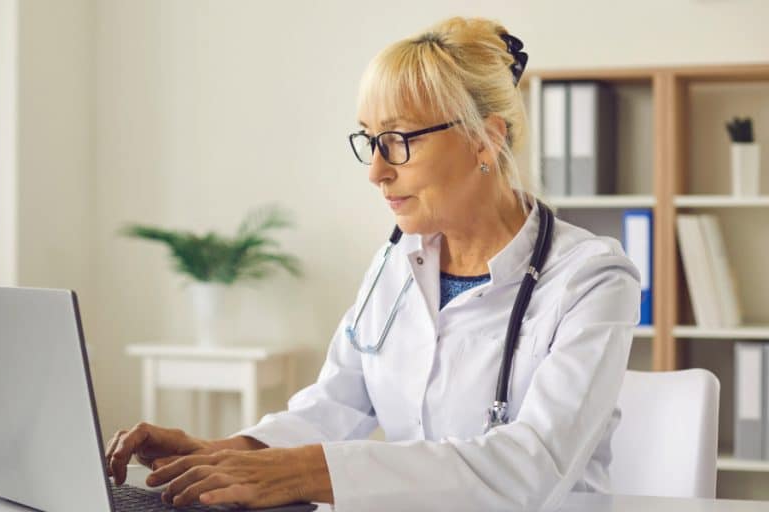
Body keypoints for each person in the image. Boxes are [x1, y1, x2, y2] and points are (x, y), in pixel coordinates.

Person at [105, 16, 640, 511]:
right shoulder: (398, 264)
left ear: (487, 139)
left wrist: (309, 473)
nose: (377, 171)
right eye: (370, 141)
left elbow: (533, 463)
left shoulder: (591, 280)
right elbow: (335, 405)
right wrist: (223, 452)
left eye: (400, 140)